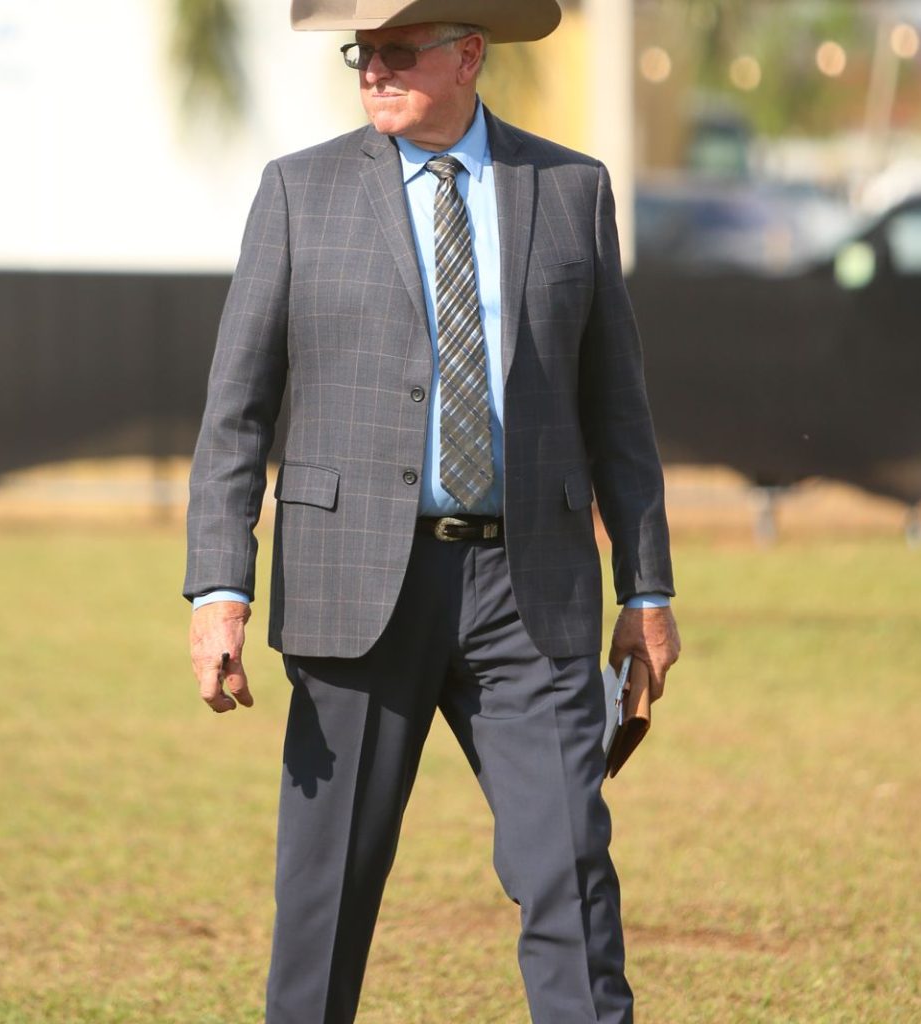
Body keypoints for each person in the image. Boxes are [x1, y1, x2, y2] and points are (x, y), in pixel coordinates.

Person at [185, 2, 681, 1021]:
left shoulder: (572, 189)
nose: (373, 71)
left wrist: (647, 591)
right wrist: (219, 588)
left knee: (572, 872)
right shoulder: (300, 192)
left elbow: (619, 415)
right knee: (324, 898)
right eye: (361, 52)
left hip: (531, 594)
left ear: (468, 56)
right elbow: (235, 410)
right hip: (354, 589)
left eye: (398, 52)